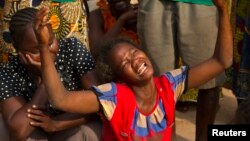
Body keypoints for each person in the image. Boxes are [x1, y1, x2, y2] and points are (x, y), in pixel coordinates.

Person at [34, 0, 232, 140]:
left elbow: (221, 61)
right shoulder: (113, 97)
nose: (135, 61)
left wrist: (222, 11)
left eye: (134, 53)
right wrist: (43, 47)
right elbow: (61, 99)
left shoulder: (169, 85)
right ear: (120, 78)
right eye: (125, 63)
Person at [0, 7, 102, 141]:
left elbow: (102, 103)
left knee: (90, 131)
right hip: (37, 133)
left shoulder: (71, 49)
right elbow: (19, 131)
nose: (47, 53)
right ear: (19, 50)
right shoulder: (9, 70)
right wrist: (44, 79)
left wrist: (56, 124)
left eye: (51, 43)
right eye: (38, 50)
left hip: (71, 125)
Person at [137, 0, 227, 140]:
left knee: (209, 79)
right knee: (155, 83)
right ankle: (167, 137)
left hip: (202, 3)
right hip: (153, 3)